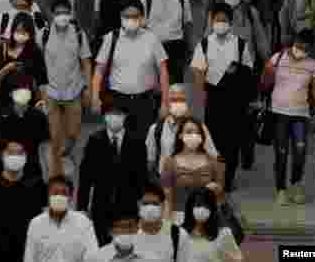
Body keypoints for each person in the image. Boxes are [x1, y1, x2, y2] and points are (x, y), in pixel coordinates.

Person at [190, 3, 256, 192]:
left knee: (233, 140)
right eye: (217, 20)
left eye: (224, 20)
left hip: (235, 98)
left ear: (230, 22)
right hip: (214, 97)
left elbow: (248, 71)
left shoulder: (240, 44)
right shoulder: (204, 44)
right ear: (211, 22)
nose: (220, 23)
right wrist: (200, 97)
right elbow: (198, 72)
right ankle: (214, 176)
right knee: (214, 139)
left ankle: (228, 179)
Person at [91, 0, 170, 142]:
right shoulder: (111, 38)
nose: (131, 20)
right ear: (120, 17)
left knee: (144, 144)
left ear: (142, 18)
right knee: (117, 144)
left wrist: (165, 102)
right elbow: (99, 70)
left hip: (145, 103)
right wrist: (95, 97)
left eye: (135, 16)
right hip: (117, 102)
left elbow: (163, 71)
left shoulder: (152, 39)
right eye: (127, 17)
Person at [78, 95, 149, 244]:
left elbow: (142, 177)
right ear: (105, 116)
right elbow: (85, 176)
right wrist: (82, 207)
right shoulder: (94, 141)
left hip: (128, 207)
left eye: (119, 113)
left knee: (127, 248)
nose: (115, 117)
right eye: (111, 113)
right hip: (101, 206)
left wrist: (144, 205)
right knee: (103, 249)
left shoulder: (137, 142)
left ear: (125, 116)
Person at [262, 29, 315, 205]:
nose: (300, 50)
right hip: (279, 114)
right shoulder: (277, 58)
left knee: (300, 151)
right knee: (281, 152)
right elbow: (264, 82)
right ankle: (281, 190)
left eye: (305, 48)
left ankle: (296, 185)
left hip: (300, 115)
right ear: (294, 42)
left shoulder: (313, 65)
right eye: (299, 45)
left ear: (310, 49)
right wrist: (268, 72)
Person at [36, 0, 92, 178]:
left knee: (74, 131)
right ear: (52, 15)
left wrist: (89, 88)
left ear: (71, 14)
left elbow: (86, 63)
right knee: (54, 132)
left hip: (74, 90)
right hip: (51, 91)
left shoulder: (78, 34)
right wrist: (40, 91)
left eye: (66, 12)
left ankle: (66, 150)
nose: (62, 16)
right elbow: (37, 65)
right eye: (58, 13)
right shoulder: (43, 34)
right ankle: (55, 171)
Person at [0, 138, 46, 262]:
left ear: (26, 156)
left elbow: (44, 228)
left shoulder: (36, 187)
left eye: (20, 153)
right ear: (2, 155)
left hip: (26, 255)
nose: (15, 156)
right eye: (11, 152)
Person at [160, 118, 224, 222]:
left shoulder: (213, 163)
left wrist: (216, 189)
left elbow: (220, 197)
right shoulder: (170, 162)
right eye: (189, 132)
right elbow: (167, 197)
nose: (193, 135)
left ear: (202, 137)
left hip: (205, 216)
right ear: (180, 136)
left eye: (197, 132)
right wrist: (167, 222)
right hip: (179, 216)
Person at [23, 175, 99, 262]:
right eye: (55, 193)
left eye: (64, 193)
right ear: (48, 196)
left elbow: (93, 256)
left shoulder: (84, 223)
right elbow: (29, 258)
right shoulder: (36, 224)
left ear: (70, 197)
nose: (59, 197)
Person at [180, 187, 243, 261]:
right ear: (190, 208)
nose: (202, 209)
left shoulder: (223, 234)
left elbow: (238, 259)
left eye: (206, 206)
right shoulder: (180, 235)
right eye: (198, 205)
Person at [134, 183, 190, 262]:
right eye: (145, 203)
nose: (150, 208)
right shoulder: (128, 233)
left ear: (163, 206)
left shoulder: (178, 234)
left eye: (155, 203)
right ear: (138, 205)